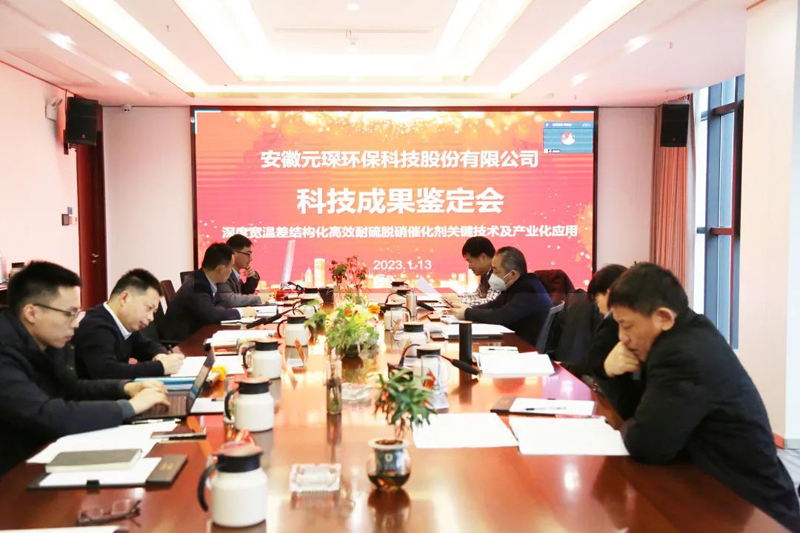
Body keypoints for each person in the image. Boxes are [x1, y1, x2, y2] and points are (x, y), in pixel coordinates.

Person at [602, 263, 800, 530]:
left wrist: (633, 424)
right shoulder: (684, 334)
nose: (622, 338)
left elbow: (648, 444)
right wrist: (615, 374)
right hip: (722, 492)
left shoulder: (681, 355)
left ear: (663, 317)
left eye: (626, 326)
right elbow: (639, 417)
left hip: (753, 511)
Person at [0, 262, 170, 476]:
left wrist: (125, 388)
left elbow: (73, 388)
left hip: (48, 454)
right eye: (69, 314)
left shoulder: (50, 342)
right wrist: (129, 407)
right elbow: (45, 414)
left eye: (77, 313)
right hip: (14, 474)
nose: (76, 323)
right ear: (32, 313)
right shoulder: (5, 353)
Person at [73, 268, 185, 379]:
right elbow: (107, 372)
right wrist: (160, 367)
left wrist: (160, 355)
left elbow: (146, 345)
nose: (151, 318)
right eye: (148, 308)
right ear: (124, 298)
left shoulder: (123, 324)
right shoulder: (96, 327)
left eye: (154, 312)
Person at [452, 246, 552, 347]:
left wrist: (467, 313)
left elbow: (501, 316)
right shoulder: (516, 286)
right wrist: (468, 309)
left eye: (496, 271)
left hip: (524, 348)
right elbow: (493, 305)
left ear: (512, 274)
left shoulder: (529, 290)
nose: (493, 275)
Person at [161, 243, 256, 342]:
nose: (231, 272)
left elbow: (222, 303)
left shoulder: (204, 279)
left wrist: (216, 311)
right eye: (230, 267)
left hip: (196, 334)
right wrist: (241, 312)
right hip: (183, 342)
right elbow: (210, 315)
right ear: (221, 269)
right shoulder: (196, 285)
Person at [558, 264, 626, 376]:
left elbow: (589, 365)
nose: (597, 306)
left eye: (596, 299)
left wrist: (559, 367)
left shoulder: (612, 323)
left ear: (609, 293)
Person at [443, 236, 501, 307]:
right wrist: (457, 297)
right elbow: (478, 295)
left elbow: (491, 303)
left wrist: (458, 301)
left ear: (483, 257)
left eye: (469, 261)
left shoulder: (499, 273)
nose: (469, 267)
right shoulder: (485, 273)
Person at [216, 234, 269, 308]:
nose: (251, 259)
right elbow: (230, 300)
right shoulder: (223, 273)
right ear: (234, 254)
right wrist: (258, 298)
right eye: (247, 254)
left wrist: (252, 277)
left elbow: (246, 292)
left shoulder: (235, 274)